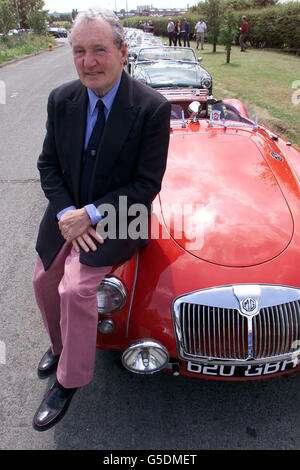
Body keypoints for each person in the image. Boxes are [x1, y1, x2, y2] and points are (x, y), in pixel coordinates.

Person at [32, 7, 171, 431]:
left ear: (122, 51)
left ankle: (68, 380)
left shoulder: (152, 107)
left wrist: (91, 215)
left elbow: (146, 184)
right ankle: (60, 347)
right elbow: (47, 165)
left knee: (75, 288)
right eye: (78, 51)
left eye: (98, 50)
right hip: (68, 210)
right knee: (43, 279)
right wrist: (69, 213)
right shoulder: (62, 99)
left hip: (122, 215)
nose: (87, 61)